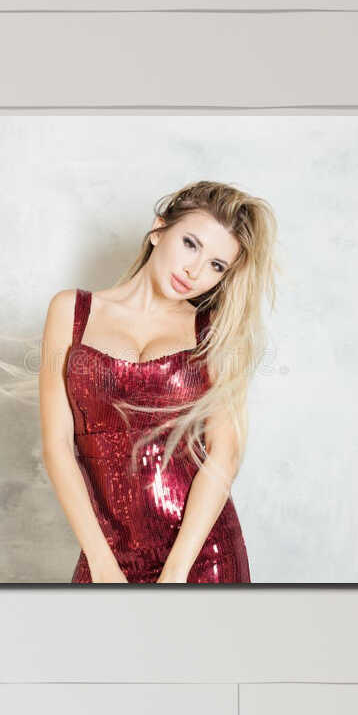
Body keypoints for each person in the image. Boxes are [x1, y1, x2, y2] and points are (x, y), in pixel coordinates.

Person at [31, 181, 277, 583]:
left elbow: (223, 456)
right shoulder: (71, 312)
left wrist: (176, 573)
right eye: (191, 244)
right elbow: (57, 446)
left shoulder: (213, 331)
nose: (195, 271)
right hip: (105, 554)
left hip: (201, 556)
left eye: (217, 265)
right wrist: (102, 564)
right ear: (159, 230)